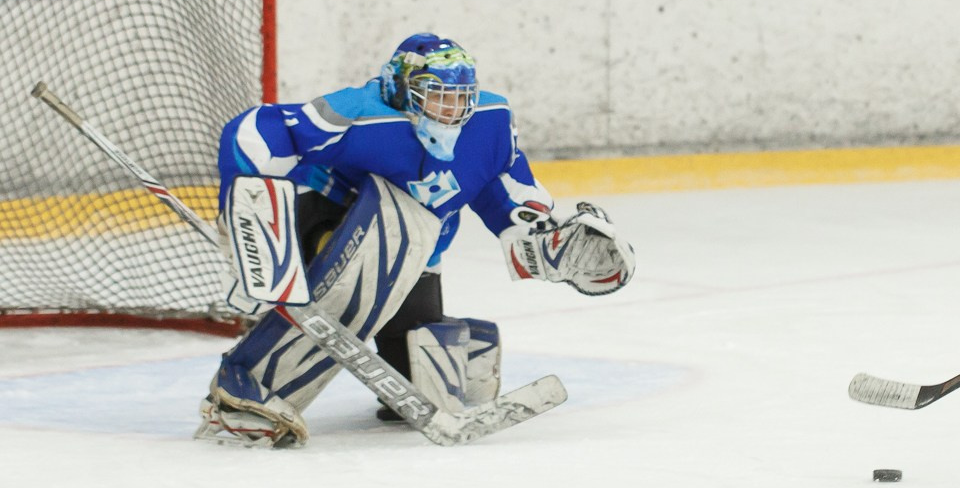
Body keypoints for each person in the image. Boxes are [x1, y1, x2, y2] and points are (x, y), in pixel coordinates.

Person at [197, 33, 634, 447]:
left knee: (418, 374)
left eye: (460, 98)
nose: (452, 110)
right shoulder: (360, 112)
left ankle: (436, 363)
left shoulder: (490, 125)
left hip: (416, 249)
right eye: (438, 96)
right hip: (326, 222)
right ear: (402, 88)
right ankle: (245, 387)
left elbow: (508, 200)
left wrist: (550, 243)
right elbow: (255, 130)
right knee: (360, 282)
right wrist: (252, 218)